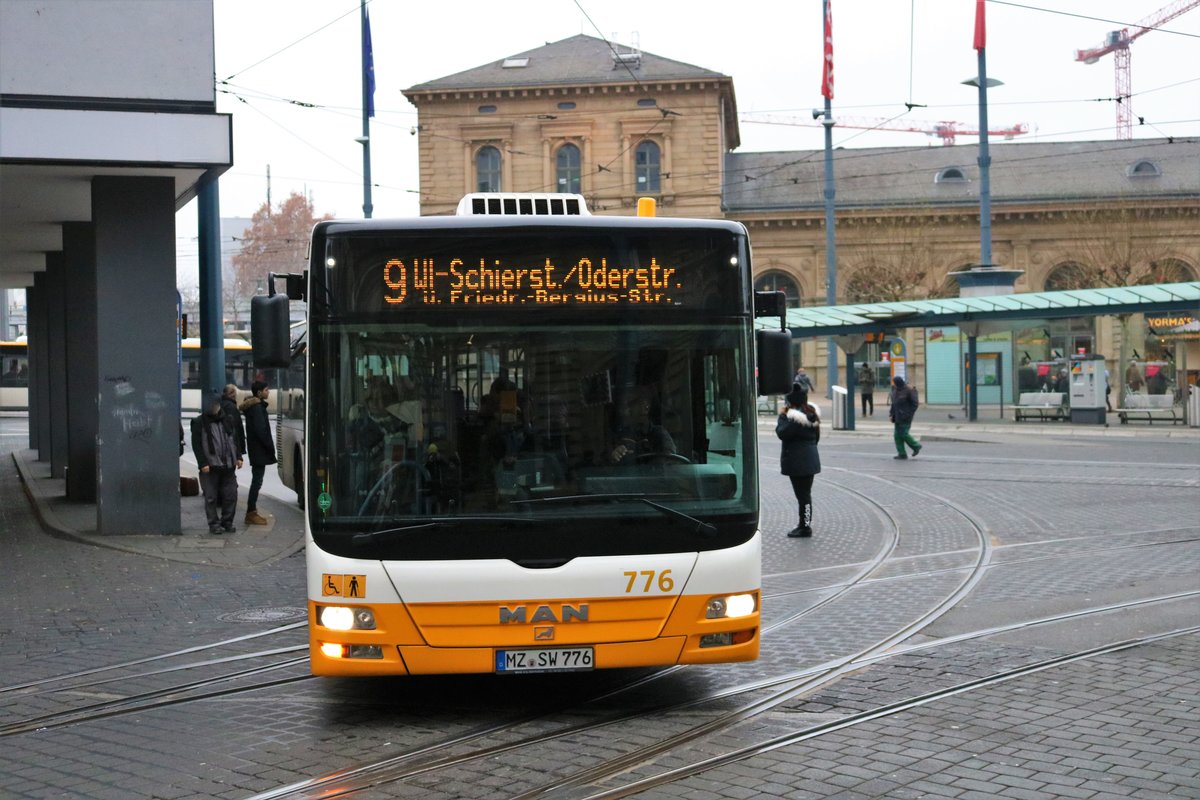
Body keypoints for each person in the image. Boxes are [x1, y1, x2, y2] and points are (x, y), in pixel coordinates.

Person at [191, 394, 242, 533]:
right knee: (211, 497)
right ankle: (214, 524)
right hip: (210, 466)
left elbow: (234, 440)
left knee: (231, 495)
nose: (213, 408)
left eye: (215, 405)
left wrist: (238, 457)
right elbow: (197, 445)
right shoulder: (199, 422)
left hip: (228, 464)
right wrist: (203, 463)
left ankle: (227, 522)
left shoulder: (228, 420)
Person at [776, 383, 821, 538]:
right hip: (811, 460)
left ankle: (805, 527)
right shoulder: (812, 414)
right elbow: (816, 438)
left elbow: (782, 433)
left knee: (802, 496)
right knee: (805, 495)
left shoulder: (791, 418)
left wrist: (785, 416)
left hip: (797, 462)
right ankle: (805, 524)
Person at [239, 379, 277, 526]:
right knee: (257, 481)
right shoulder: (257, 408)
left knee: (257, 479)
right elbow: (262, 431)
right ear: (260, 393)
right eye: (267, 390)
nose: (269, 392)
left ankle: (251, 510)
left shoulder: (256, 407)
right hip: (259, 450)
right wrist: (269, 447)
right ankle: (251, 511)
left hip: (256, 449)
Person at [609, 386, 677, 464]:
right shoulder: (621, 436)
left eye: (631, 404)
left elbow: (670, 461)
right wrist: (614, 457)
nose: (625, 412)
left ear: (646, 407)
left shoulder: (659, 434)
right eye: (623, 407)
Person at [889, 375, 922, 460]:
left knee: (903, 433)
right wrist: (891, 414)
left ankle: (916, 446)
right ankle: (902, 453)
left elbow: (915, 404)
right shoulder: (895, 390)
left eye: (895, 383)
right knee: (897, 435)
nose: (894, 385)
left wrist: (908, 414)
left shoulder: (909, 390)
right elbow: (894, 404)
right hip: (897, 416)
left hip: (906, 417)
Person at [221, 383, 247, 464]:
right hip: (230, 445)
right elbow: (235, 429)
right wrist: (239, 450)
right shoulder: (231, 407)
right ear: (232, 394)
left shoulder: (222, 404)